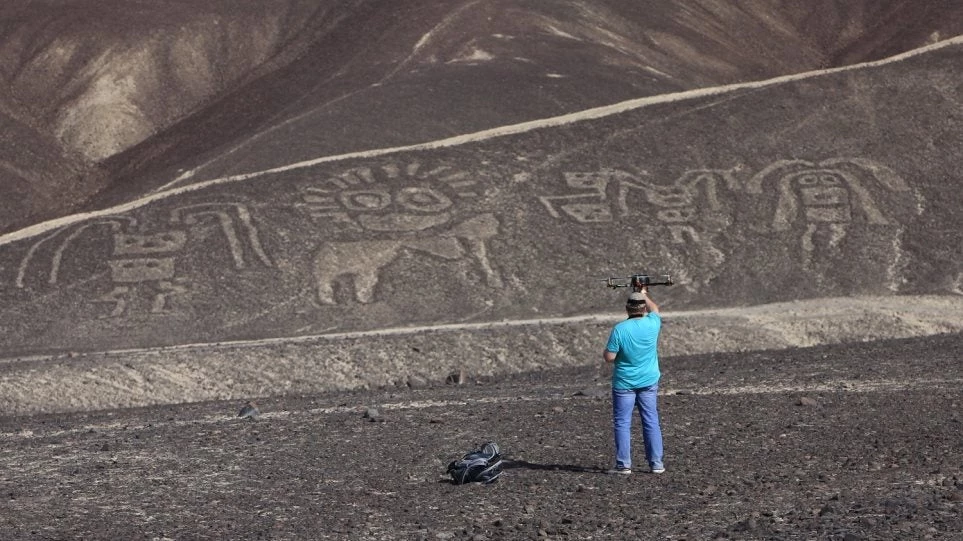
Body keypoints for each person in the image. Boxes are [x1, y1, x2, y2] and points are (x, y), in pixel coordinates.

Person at [602, 287, 665, 475]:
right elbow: (656, 309)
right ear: (643, 308)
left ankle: (624, 465)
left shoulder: (620, 329)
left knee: (622, 422)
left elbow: (609, 357)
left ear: (627, 309)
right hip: (648, 380)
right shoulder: (653, 323)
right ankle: (656, 463)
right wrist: (644, 294)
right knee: (651, 420)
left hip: (624, 383)